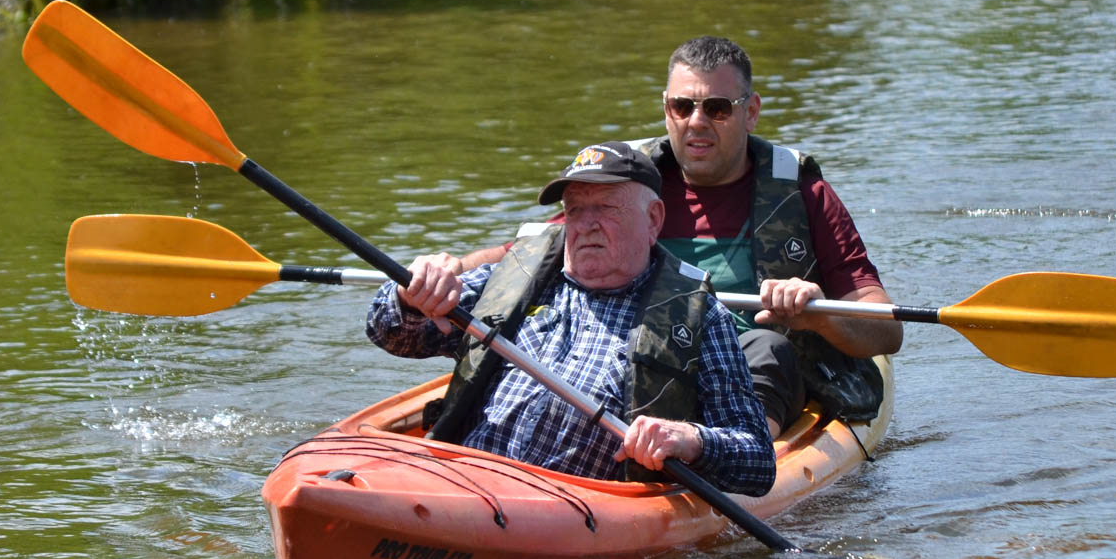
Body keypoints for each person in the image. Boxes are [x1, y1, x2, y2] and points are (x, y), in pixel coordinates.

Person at [464, 37, 899, 434]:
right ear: (666, 108)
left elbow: (886, 331)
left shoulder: (804, 192)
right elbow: (523, 258)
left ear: (750, 112)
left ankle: (743, 459)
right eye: (682, 106)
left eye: (717, 108)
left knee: (767, 347)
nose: (696, 122)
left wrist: (817, 314)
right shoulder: (626, 185)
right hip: (638, 364)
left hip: (750, 374)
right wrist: (443, 271)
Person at [367, 141, 776, 495]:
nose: (586, 224)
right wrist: (411, 295)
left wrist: (690, 440)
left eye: (606, 208)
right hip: (459, 482)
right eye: (576, 209)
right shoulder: (516, 277)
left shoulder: (700, 317)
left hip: (573, 508)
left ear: (653, 220)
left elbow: (757, 461)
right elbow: (389, 333)